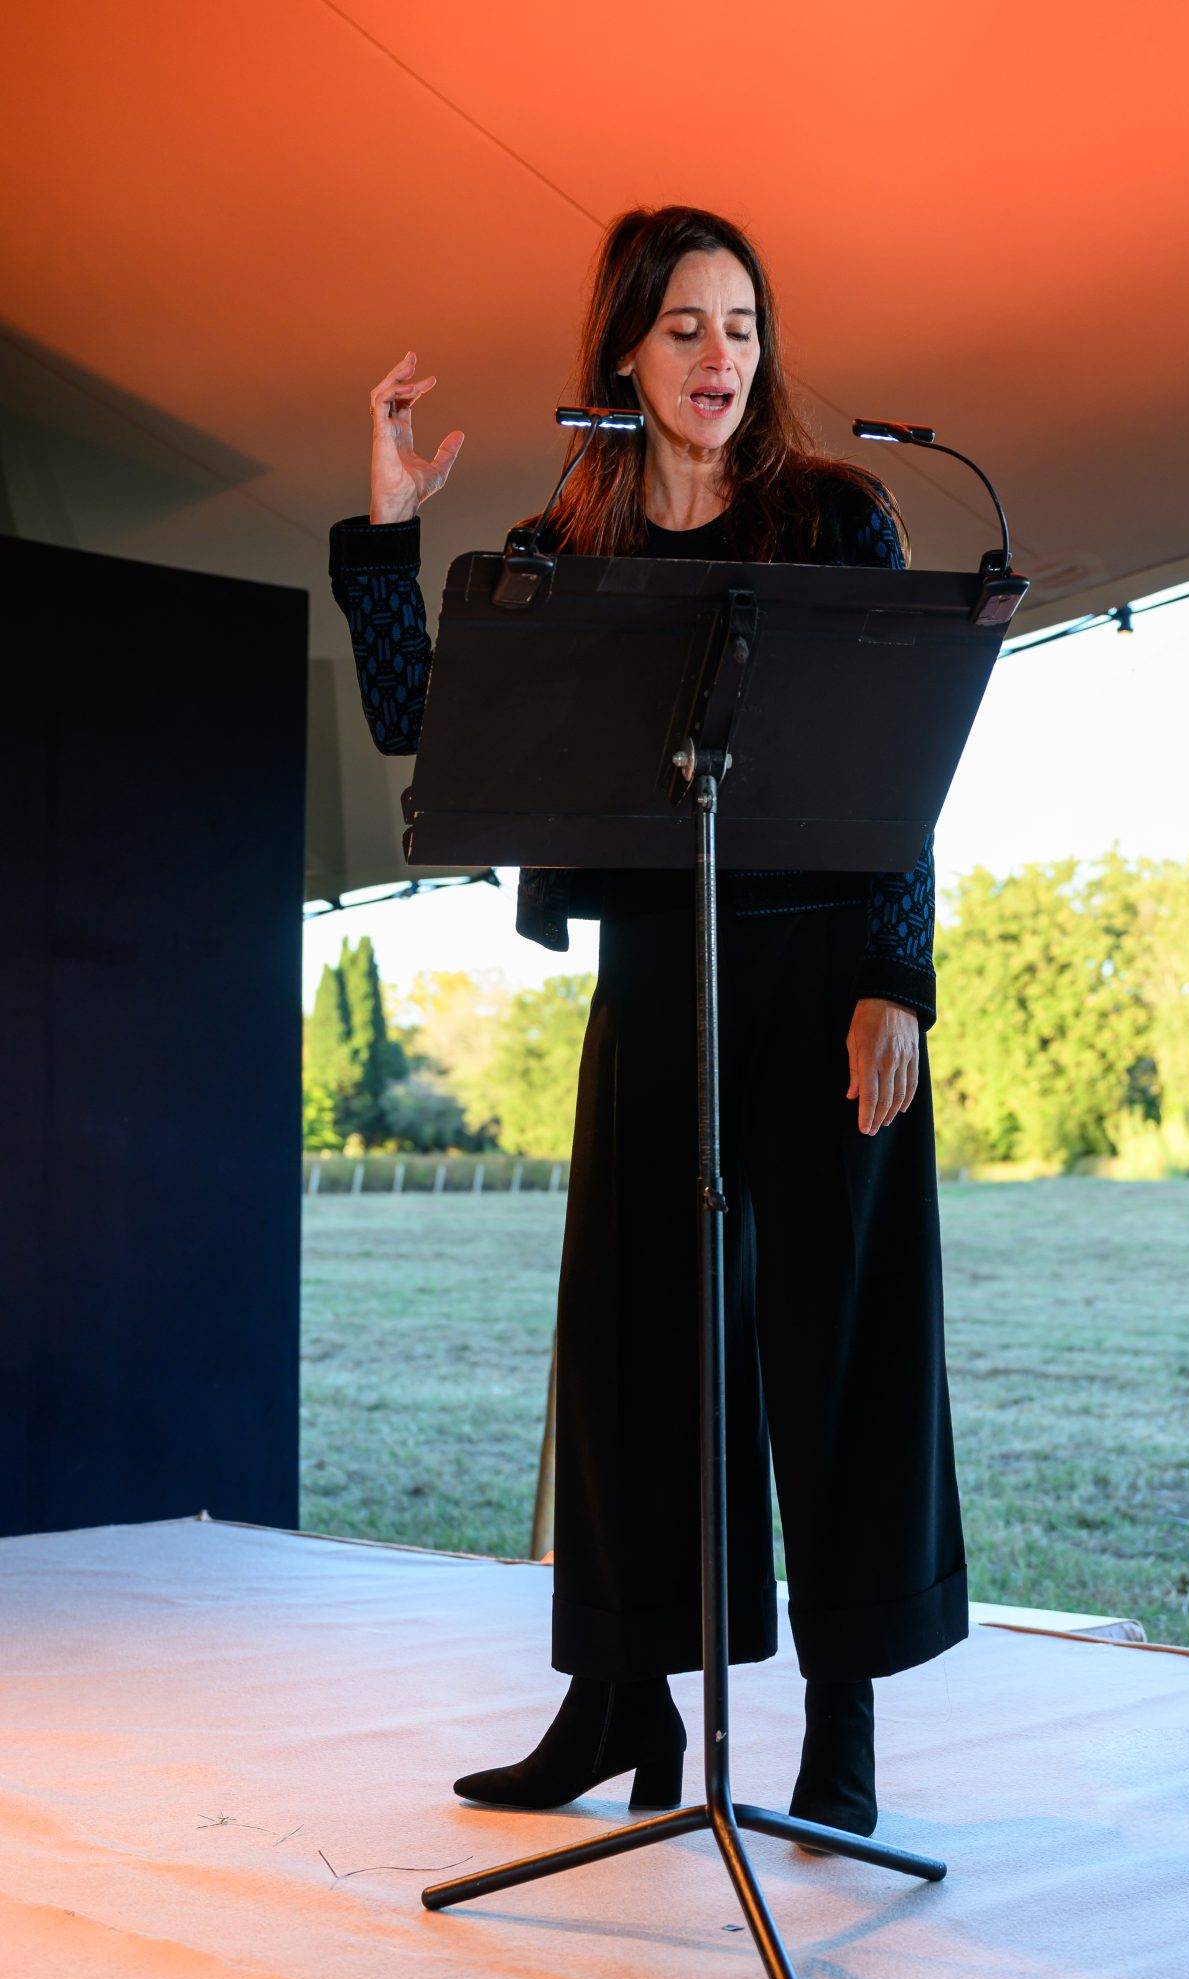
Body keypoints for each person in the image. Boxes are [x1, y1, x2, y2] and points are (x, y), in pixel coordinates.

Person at [328, 205, 968, 1849]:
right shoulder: (570, 541)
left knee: (836, 1361)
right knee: (632, 1357)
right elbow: (422, 720)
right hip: (656, 981)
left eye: (741, 326)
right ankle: (623, 1699)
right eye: (684, 327)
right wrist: (393, 532)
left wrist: (899, 986)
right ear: (625, 348)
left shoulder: (839, 519)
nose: (720, 358)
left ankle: (841, 1723)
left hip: (829, 980)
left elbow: (904, 774)